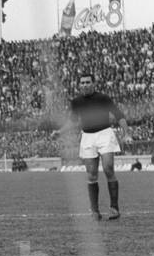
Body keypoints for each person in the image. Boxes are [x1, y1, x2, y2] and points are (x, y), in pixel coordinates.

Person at [53, 72, 130, 220]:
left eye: (88, 82)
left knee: (108, 169)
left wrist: (126, 133)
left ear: (93, 84)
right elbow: (73, 121)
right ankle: (95, 211)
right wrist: (60, 132)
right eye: (82, 83)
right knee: (91, 174)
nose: (85, 85)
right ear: (79, 85)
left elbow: (119, 115)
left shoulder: (103, 98)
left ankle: (114, 208)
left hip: (105, 134)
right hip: (87, 136)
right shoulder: (76, 102)